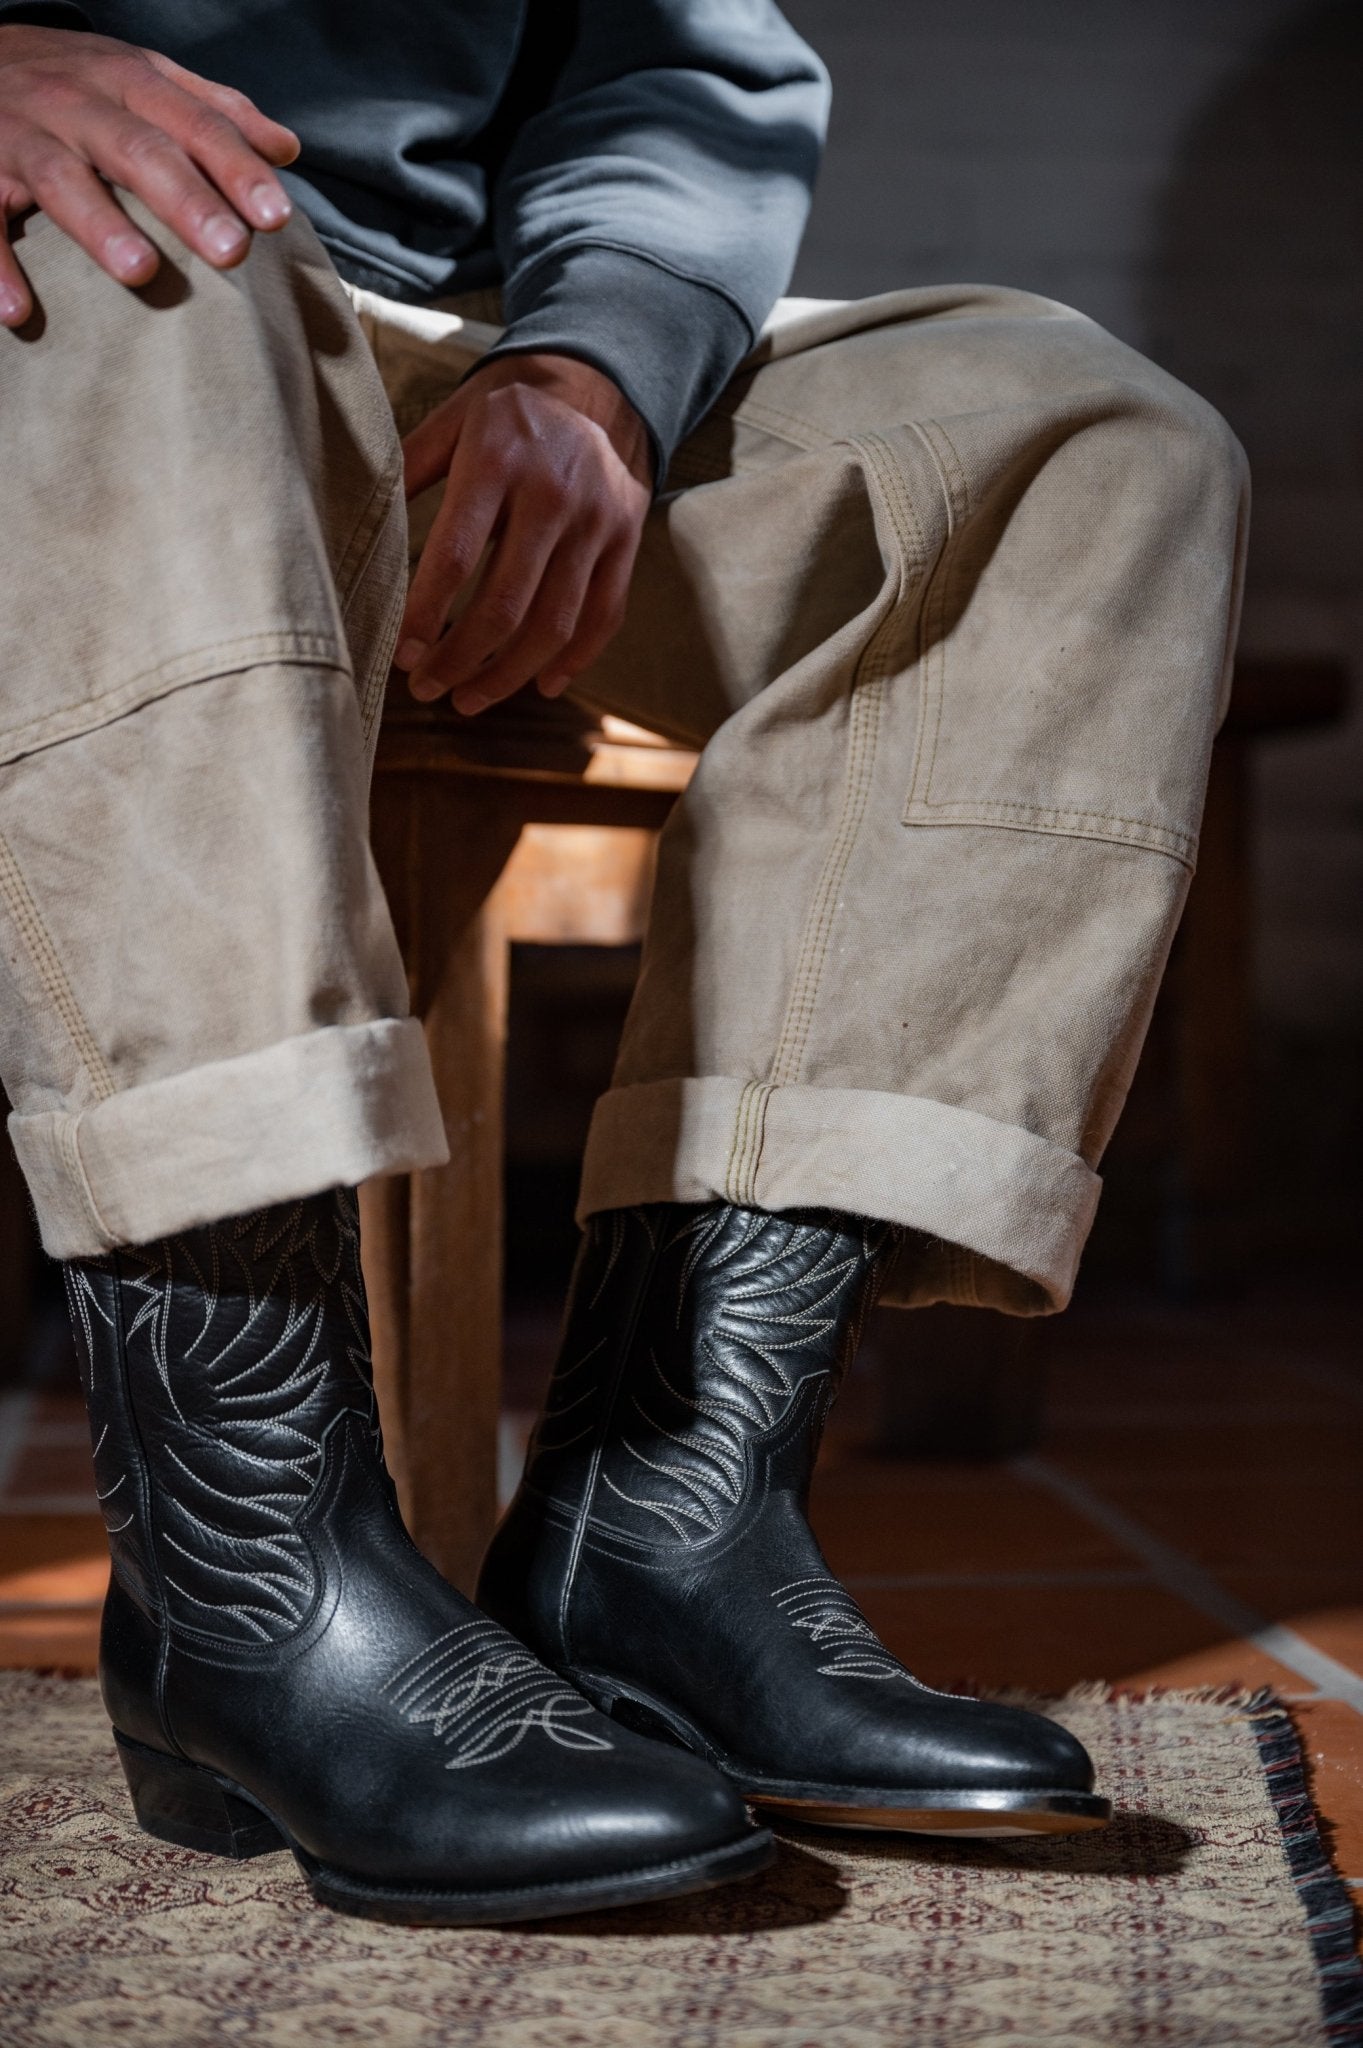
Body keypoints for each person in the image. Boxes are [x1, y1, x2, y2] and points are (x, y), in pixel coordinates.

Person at [0, 1, 1246, 1924]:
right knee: (138, 265)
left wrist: (594, 367)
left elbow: (673, 62)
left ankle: (663, 1526)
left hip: (435, 333)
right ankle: (248, 1579)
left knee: (1087, 445)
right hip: (76, 308)